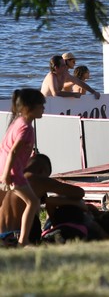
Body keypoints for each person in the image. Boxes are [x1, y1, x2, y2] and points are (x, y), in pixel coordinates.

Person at [0, 154, 85, 245]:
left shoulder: (7, 180)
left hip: (2, 237)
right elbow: (79, 193)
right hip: (19, 236)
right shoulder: (34, 178)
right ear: (42, 171)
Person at [0, 89, 45, 246]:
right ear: (28, 108)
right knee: (32, 202)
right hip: (12, 172)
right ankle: (23, 241)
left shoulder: (17, 121)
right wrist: (6, 175)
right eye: (41, 106)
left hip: (4, 167)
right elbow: (13, 151)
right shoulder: (26, 128)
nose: (43, 108)